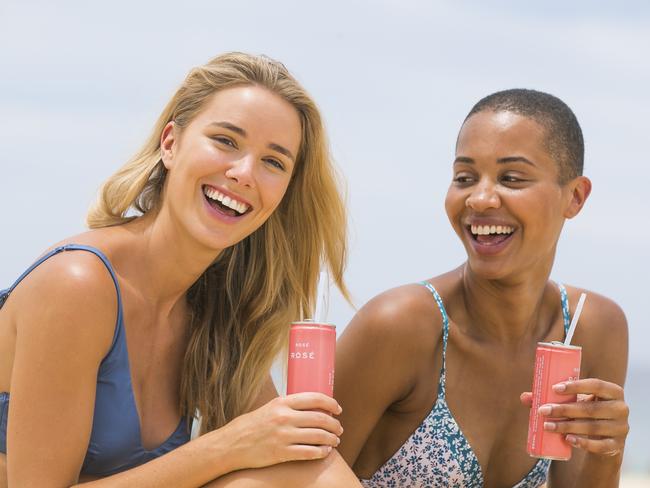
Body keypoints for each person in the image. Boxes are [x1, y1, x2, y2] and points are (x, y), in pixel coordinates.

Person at [0, 52, 360, 487]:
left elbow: (297, 460)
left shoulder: (217, 306)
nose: (244, 172)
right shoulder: (77, 285)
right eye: (226, 140)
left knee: (306, 465)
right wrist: (227, 446)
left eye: (273, 162)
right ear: (170, 143)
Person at [335, 89, 630, 487]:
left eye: (511, 178)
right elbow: (294, 477)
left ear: (574, 196)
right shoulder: (400, 326)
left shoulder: (590, 328)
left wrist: (607, 452)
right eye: (464, 178)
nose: (481, 198)